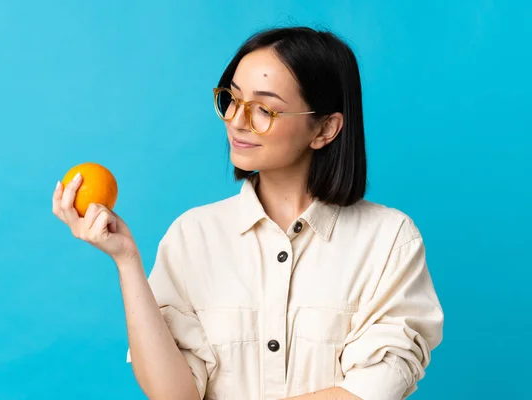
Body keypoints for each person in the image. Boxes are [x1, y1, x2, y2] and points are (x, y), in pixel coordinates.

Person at [52, 26, 444, 400]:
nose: (236, 121)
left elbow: (375, 387)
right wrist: (127, 260)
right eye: (232, 98)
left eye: (264, 110)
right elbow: (174, 393)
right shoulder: (192, 235)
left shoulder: (389, 240)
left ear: (325, 129)